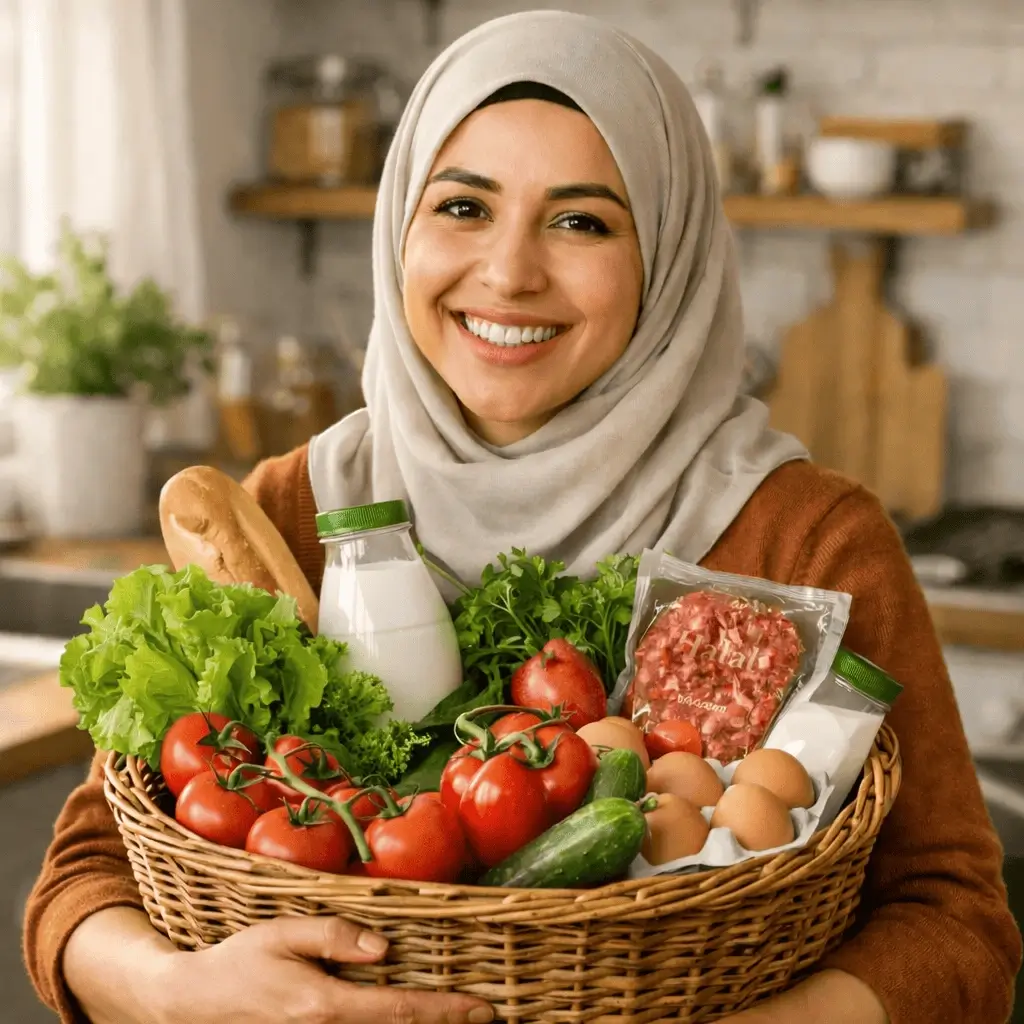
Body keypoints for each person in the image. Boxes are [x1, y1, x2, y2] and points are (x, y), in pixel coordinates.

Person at [22, 10, 1020, 1024]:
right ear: (398, 226)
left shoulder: (808, 538)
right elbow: (84, 876)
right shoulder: (290, 511)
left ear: (667, 259)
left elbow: (957, 921)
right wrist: (171, 989)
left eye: (581, 221)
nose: (506, 273)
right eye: (461, 207)